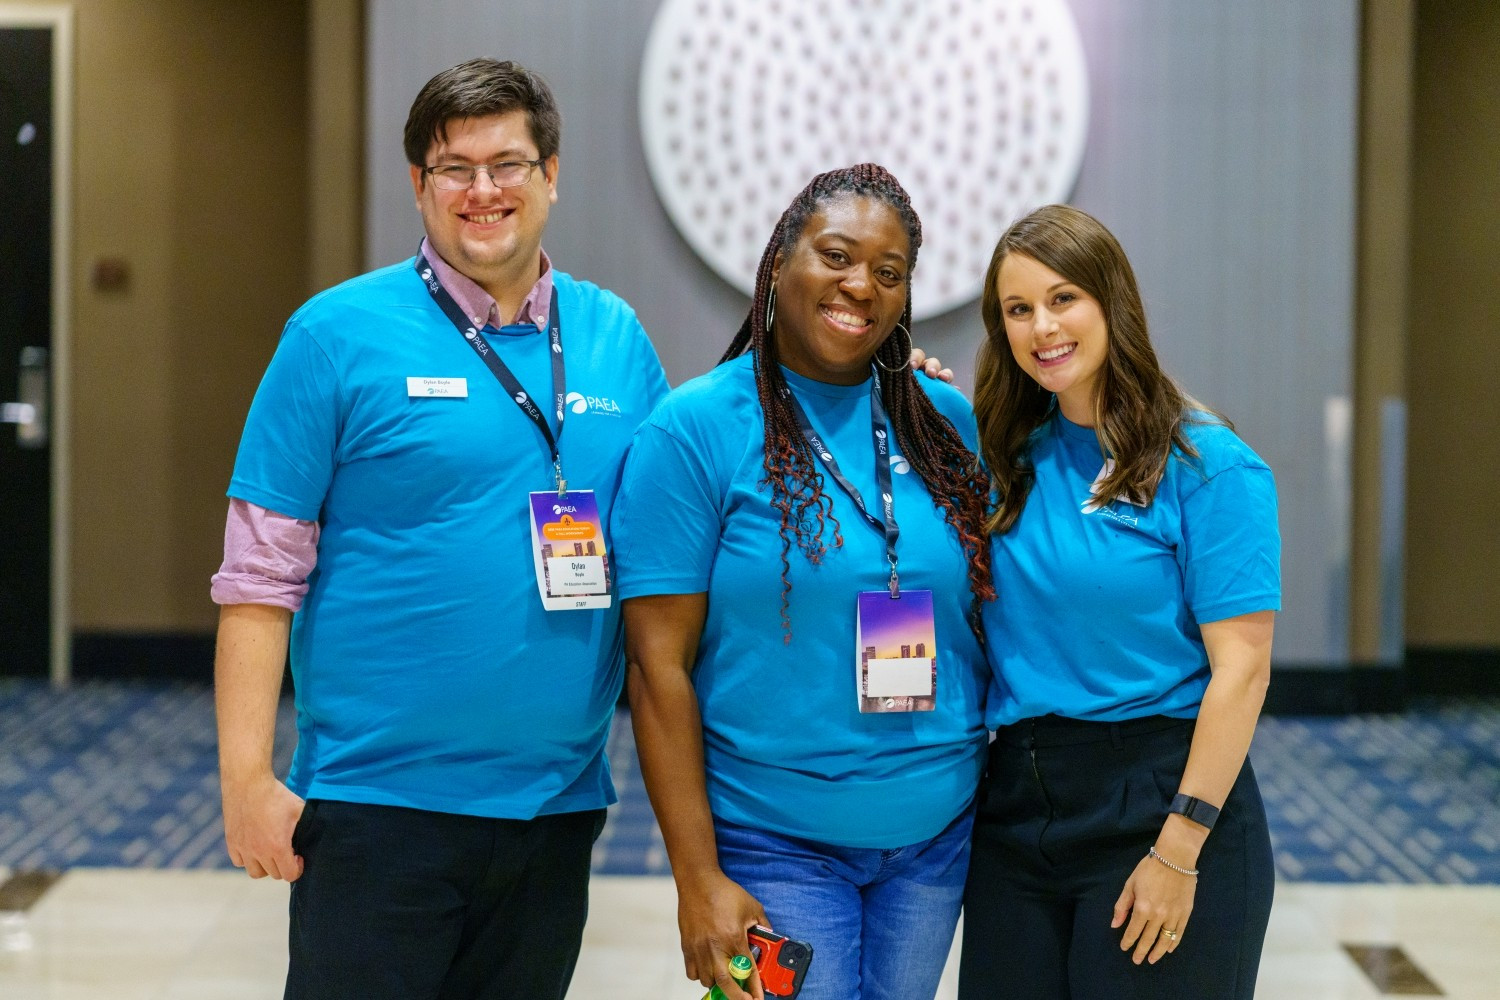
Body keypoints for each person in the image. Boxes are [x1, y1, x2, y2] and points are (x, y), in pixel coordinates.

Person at [209, 58, 672, 1000]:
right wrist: (247, 780)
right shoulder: (333, 336)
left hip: (557, 807)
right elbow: (258, 579)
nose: (483, 190)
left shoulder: (615, 335)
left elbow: (697, 508)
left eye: (508, 163)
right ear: (419, 184)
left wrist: (890, 396)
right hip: (379, 808)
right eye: (454, 167)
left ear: (551, 175)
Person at [611, 164, 995, 1000]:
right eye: (835, 255)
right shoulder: (694, 431)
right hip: (771, 843)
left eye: (888, 273)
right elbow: (656, 669)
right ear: (780, 261)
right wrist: (696, 878)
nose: (860, 285)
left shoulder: (943, 425)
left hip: (934, 841)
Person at [958, 204, 1279, 999]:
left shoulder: (1207, 465)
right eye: (1018, 309)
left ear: (1112, 302)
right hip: (1016, 812)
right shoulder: (1003, 460)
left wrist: (1180, 846)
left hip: (1160, 801)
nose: (1043, 327)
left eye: (1064, 298)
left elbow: (1242, 670)